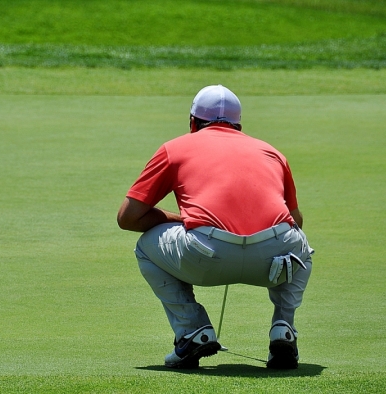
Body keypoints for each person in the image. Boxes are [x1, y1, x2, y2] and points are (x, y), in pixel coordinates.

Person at [117, 85, 314, 370]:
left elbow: (128, 218)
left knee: (146, 246)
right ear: (239, 126)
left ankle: (191, 330)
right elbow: (296, 220)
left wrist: (183, 219)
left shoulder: (174, 148)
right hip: (271, 261)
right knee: (302, 248)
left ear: (192, 123)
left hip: (206, 255)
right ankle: (283, 328)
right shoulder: (273, 152)